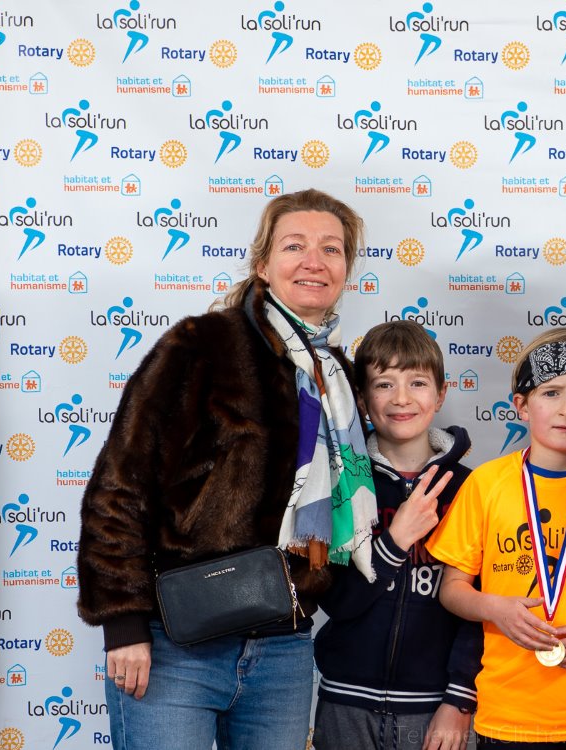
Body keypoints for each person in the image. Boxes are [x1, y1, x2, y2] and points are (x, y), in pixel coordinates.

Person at [76, 188, 379, 750]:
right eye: (295, 246)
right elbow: (121, 485)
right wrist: (123, 623)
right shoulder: (203, 347)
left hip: (284, 647)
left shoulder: (336, 376)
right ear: (263, 264)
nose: (314, 261)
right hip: (176, 643)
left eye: (331, 249)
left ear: (346, 268)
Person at [427, 328, 566, 749]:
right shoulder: (486, 484)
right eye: (551, 393)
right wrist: (495, 608)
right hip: (509, 713)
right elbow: (452, 589)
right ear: (521, 406)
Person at [312, 320, 480, 750]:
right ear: (363, 401)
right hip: (346, 701)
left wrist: (460, 698)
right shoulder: (342, 483)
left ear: (440, 395)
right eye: (384, 384)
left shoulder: (471, 488)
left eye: (417, 383)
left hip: (436, 706)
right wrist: (393, 543)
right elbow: (335, 600)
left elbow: (480, 606)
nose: (401, 398)